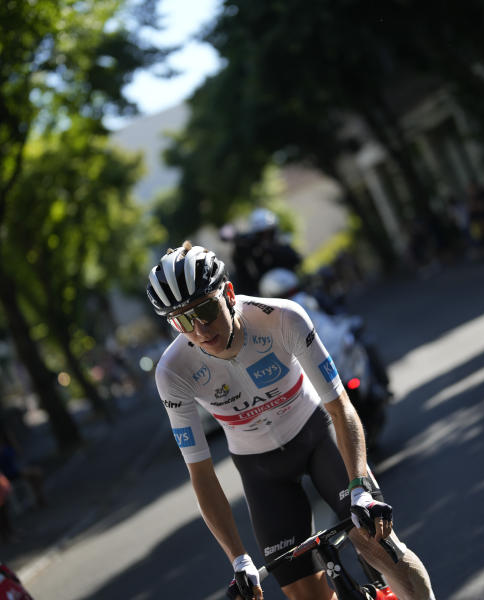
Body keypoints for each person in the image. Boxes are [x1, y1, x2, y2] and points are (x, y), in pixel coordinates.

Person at [147, 242, 435, 600]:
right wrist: (238, 560)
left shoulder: (282, 317)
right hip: (261, 470)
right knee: (305, 595)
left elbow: (339, 407)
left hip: (317, 436)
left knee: (380, 545)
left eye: (205, 309)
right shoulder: (173, 372)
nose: (200, 328)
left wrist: (360, 486)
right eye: (182, 320)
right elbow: (201, 474)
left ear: (229, 293)